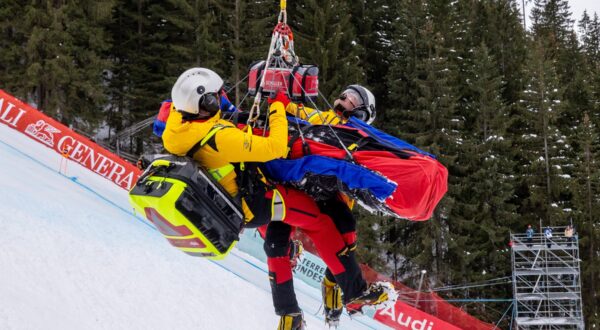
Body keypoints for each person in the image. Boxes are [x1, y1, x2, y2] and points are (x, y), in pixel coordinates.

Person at [161, 68, 392, 330]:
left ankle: (325, 297)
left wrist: (280, 107)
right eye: (344, 95)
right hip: (269, 191)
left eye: (352, 100)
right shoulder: (218, 135)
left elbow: (313, 120)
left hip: (309, 190)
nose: (343, 99)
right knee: (289, 236)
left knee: (340, 229)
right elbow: (283, 132)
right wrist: (278, 107)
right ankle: (313, 303)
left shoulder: (179, 127)